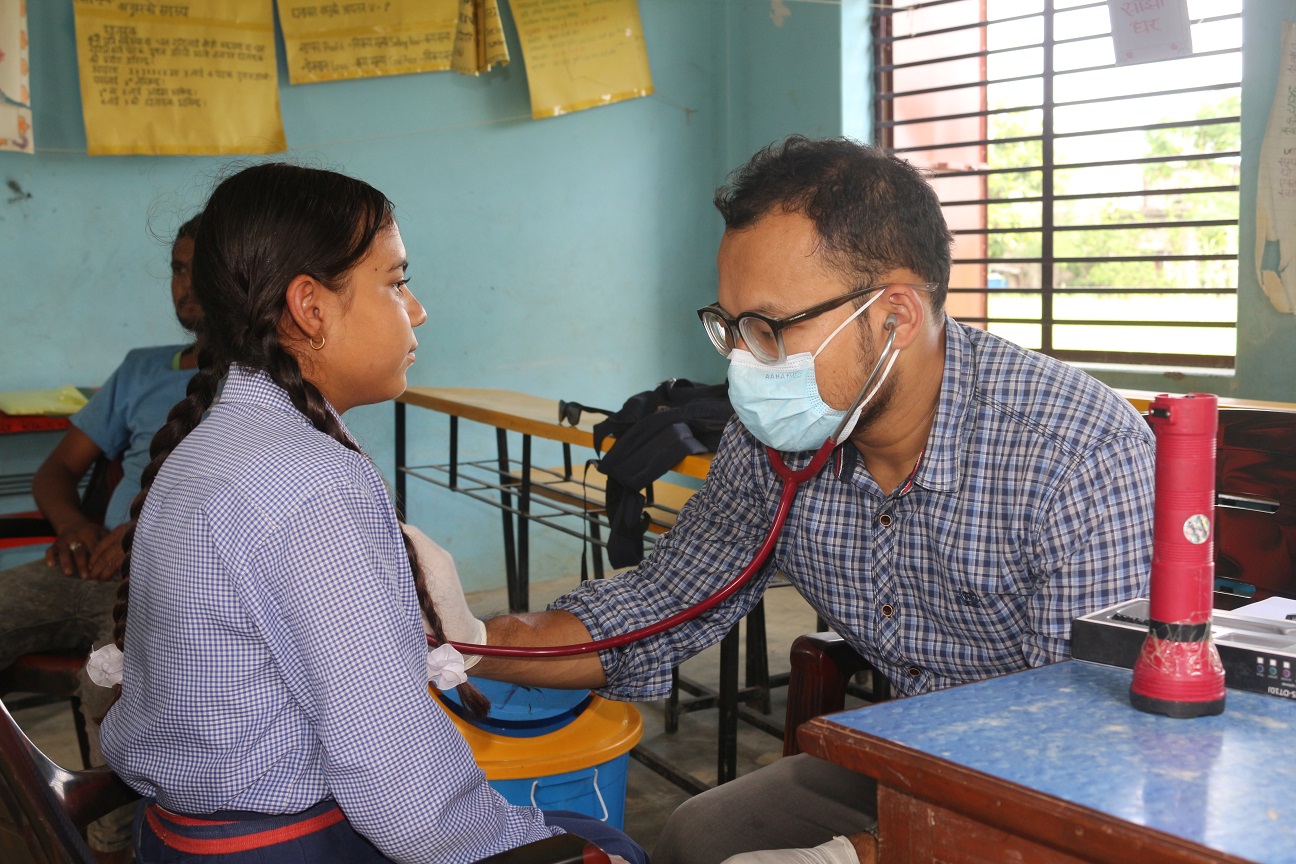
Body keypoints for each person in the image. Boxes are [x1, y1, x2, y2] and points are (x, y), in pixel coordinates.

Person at [426, 136, 1157, 864]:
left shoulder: (1079, 456)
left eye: (770, 329)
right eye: (732, 328)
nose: (745, 363)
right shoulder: (777, 439)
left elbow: (1086, 751)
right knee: (698, 836)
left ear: (895, 317)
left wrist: (858, 856)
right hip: (904, 758)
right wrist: (466, 639)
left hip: (1056, 792)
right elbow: (661, 605)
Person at [96, 163, 646, 864]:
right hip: (288, 847)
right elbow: (401, 787)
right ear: (310, 307)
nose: (416, 310)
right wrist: (527, 842)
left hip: (180, 840)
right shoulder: (314, 485)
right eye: (395, 281)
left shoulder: (202, 452)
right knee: (610, 847)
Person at [0, 213, 202, 864]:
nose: (185, 283)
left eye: (199, 268)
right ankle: (24, 813)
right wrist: (76, 527)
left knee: (109, 683)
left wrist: (145, 534)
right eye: (175, 267)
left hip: (171, 581)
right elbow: (58, 469)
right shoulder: (143, 370)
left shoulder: (267, 383)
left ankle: (112, 848)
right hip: (88, 566)